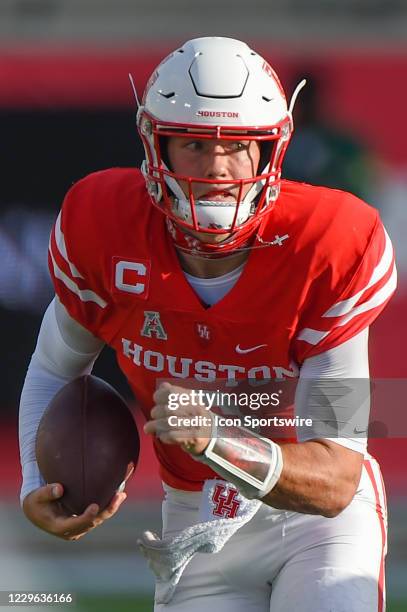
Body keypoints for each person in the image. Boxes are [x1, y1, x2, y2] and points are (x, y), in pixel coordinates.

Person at [19, 37, 396, 611]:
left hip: (318, 529)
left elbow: (337, 477)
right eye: (194, 143)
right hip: (193, 522)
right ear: (155, 146)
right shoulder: (103, 224)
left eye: (239, 146)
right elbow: (54, 366)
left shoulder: (332, 243)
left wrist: (217, 438)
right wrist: (33, 481)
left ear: (272, 149)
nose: (217, 168)